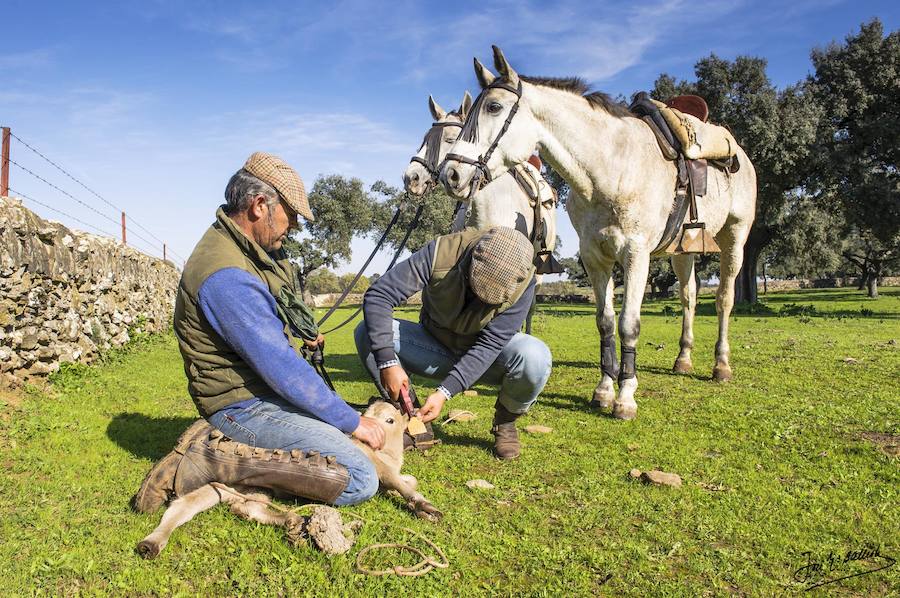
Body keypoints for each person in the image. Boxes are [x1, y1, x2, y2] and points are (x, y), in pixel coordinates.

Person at [134, 152, 382, 512]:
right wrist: (352, 420)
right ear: (259, 205)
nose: (294, 226)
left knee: (336, 432)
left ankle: (234, 455)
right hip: (241, 406)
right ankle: (209, 458)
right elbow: (281, 367)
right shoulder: (227, 274)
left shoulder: (247, 250)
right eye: (291, 215)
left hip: (259, 394)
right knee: (359, 476)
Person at [354, 226, 553, 459]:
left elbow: (490, 344)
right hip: (434, 345)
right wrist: (387, 361)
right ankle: (413, 417)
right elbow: (381, 294)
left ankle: (505, 422)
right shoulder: (441, 252)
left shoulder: (525, 283)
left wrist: (443, 393)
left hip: (486, 358)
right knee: (367, 331)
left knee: (535, 355)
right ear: (471, 261)